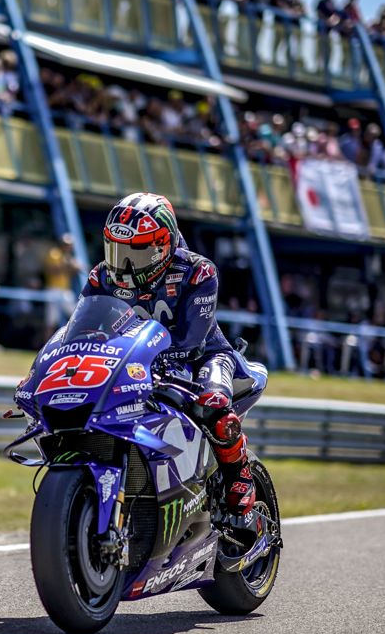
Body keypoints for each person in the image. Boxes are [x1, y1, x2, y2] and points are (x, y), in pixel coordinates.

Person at [79, 192, 262, 516]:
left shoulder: (197, 272)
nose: (123, 264)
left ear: (163, 246)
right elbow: (83, 330)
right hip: (134, 361)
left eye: (136, 252)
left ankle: (240, 477)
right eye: (116, 250)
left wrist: (155, 361)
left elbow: (192, 338)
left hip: (203, 357)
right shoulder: (101, 277)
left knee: (213, 402)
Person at [43, 233, 83, 335]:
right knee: (51, 320)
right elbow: (53, 270)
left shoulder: (67, 256)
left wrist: (75, 268)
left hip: (65, 290)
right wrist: (68, 264)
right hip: (53, 289)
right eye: (66, 244)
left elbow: (69, 274)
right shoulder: (54, 253)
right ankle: (45, 344)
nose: (68, 247)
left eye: (69, 244)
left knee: (75, 315)